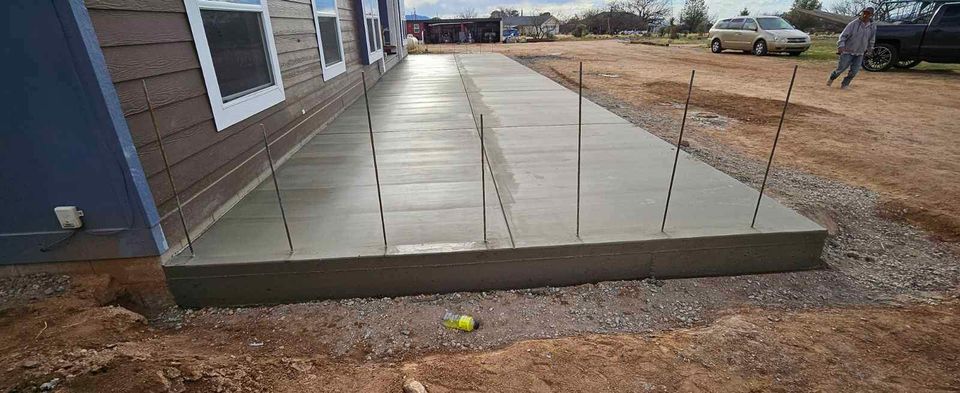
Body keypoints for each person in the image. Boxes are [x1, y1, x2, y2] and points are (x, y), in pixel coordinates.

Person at [828, 7, 877, 89]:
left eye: (868, 13)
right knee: (841, 69)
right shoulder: (853, 24)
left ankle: (845, 84)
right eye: (864, 13)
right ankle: (831, 78)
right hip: (848, 51)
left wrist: (870, 49)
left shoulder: (872, 27)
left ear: (871, 15)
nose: (865, 15)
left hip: (860, 52)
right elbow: (843, 36)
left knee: (854, 71)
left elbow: (871, 39)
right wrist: (841, 46)